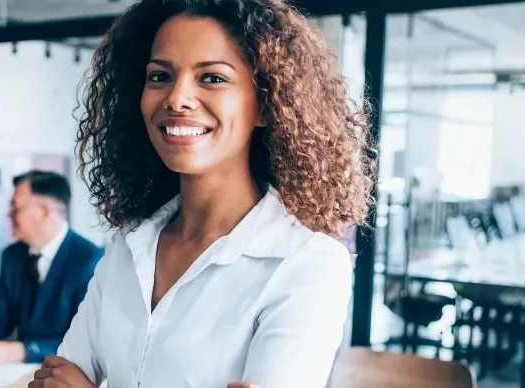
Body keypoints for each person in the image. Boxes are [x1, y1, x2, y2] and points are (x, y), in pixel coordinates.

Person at [30, 1, 376, 387]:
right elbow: (53, 378)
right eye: (160, 76)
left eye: (212, 78)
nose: (177, 98)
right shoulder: (129, 244)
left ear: (265, 104)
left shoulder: (307, 261)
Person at [0, 170, 103, 365]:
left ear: (45, 212)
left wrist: (19, 351)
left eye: (15, 208)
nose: (9, 215)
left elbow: (86, 341)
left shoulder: (90, 261)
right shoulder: (12, 256)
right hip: (18, 374)